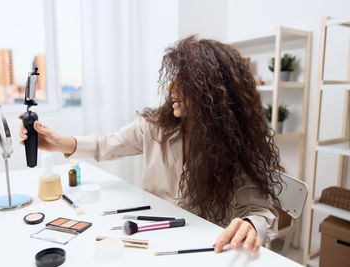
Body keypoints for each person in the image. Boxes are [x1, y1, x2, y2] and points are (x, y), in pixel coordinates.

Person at [19, 36, 282, 253]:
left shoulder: (235, 144)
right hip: (153, 238)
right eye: (173, 79)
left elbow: (259, 210)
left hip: (205, 247)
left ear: (211, 94)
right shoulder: (155, 126)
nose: (171, 89)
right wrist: (57, 142)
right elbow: (106, 145)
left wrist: (250, 223)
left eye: (184, 82)